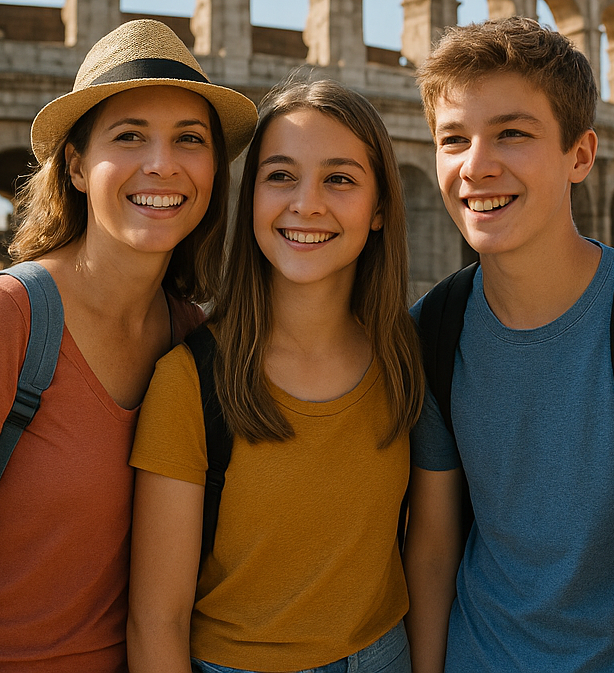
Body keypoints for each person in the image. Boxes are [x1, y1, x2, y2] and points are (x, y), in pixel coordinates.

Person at [403, 16, 614, 673]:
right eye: (454, 139)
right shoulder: (433, 331)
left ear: (580, 155)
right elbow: (432, 552)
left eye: (512, 133)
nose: (476, 165)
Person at [0, 19, 256, 672]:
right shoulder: (5, 319)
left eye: (189, 140)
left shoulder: (192, 339)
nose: (162, 163)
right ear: (79, 168)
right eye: (130, 136)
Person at [127, 77, 424, 673]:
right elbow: (155, 621)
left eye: (339, 179)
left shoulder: (408, 359)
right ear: (251, 199)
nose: (306, 204)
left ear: (380, 211)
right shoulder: (190, 379)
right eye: (280, 175)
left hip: (388, 655)